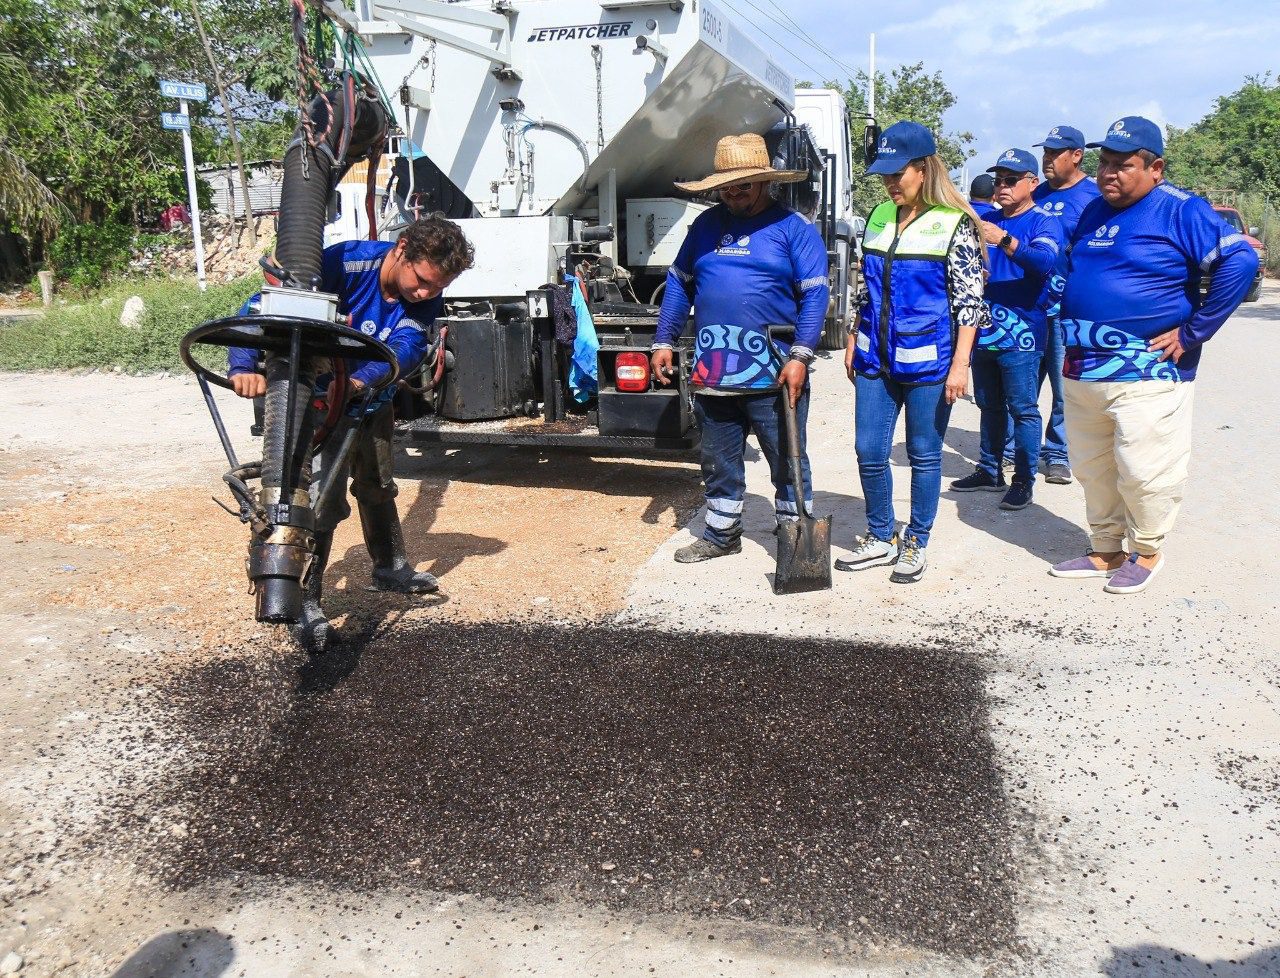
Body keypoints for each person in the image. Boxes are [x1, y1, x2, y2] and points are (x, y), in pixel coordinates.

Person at [228, 216, 475, 649]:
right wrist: (243, 366)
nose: (424, 294)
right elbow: (261, 306)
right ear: (401, 251)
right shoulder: (344, 263)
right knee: (320, 500)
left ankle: (389, 566)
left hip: (369, 399)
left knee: (378, 484)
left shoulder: (424, 298)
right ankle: (307, 602)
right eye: (420, 282)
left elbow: (408, 346)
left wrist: (363, 381)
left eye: (436, 288)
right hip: (315, 403)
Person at [1049, 116, 1257, 594]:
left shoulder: (1180, 210)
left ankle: (1146, 551)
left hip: (1148, 371)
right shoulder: (1093, 212)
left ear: (1155, 168)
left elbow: (1240, 260)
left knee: (1145, 468)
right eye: (1104, 163)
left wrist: (1193, 332)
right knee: (1092, 466)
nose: (1108, 174)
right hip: (1082, 369)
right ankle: (1105, 550)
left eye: (1122, 165)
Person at [651, 133, 829, 563]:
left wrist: (801, 355)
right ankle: (721, 534)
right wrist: (663, 340)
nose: (734, 192)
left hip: (774, 372)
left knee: (787, 459)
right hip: (713, 373)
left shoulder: (793, 230)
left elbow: (816, 295)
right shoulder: (705, 227)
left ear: (766, 183)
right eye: (727, 185)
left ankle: (794, 535)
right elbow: (679, 283)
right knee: (718, 461)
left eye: (744, 184)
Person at [839, 121, 989, 584]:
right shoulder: (881, 216)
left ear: (923, 169)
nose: (888, 183)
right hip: (874, 357)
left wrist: (961, 365)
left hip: (930, 361)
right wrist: (851, 338)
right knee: (868, 450)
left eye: (896, 173)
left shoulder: (954, 223)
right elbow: (864, 288)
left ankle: (915, 541)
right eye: (883, 174)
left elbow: (970, 300)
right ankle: (881, 536)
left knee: (924, 454)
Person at [950, 149, 1063, 512]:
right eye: (998, 180)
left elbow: (1044, 263)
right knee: (989, 405)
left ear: (1032, 182)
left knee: (1023, 408)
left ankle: (1024, 480)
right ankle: (989, 470)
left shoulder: (1043, 221)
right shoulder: (987, 220)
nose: (1002, 187)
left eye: (1011, 180)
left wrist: (1005, 241)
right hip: (985, 328)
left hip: (1023, 333)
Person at [1029, 125, 1102, 484]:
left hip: (1067, 310)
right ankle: (1017, 450)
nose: (1047, 159)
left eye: (1055, 153)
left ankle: (1057, 453)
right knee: (1025, 384)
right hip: (1029, 307)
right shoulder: (1036, 194)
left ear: (1077, 155)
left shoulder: (1094, 198)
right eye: (1045, 152)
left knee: (1063, 386)